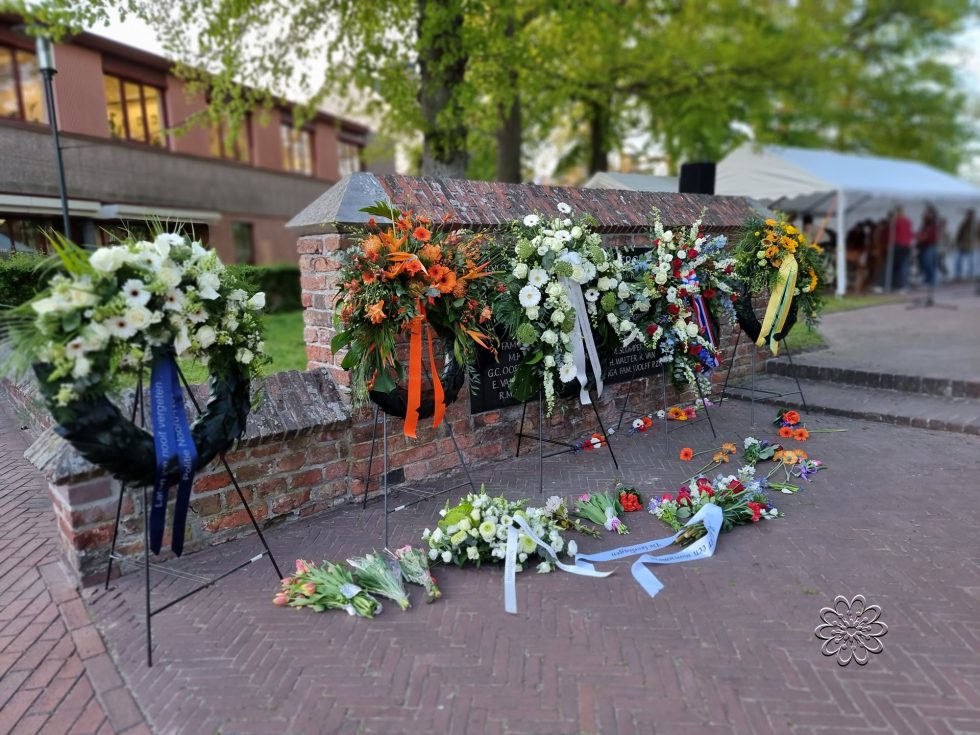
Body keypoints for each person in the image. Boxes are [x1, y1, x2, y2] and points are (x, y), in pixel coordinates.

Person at [915, 206, 939, 290]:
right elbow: (922, 232)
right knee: (923, 263)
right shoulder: (925, 223)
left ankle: (932, 281)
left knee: (928, 262)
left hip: (930, 245)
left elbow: (930, 234)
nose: (924, 214)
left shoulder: (933, 223)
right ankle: (928, 280)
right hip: (924, 245)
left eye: (926, 213)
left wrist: (922, 237)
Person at [891, 206, 914, 290]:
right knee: (904, 266)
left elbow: (893, 235)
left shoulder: (895, 221)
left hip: (898, 245)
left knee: (898, 266)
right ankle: (904, 285)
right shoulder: (908, 221)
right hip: (906, 245)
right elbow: (910, 233)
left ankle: (900, 284)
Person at [955, 209, 977, 282]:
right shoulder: (964, 224)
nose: (969, 216)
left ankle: (971, 276)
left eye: (970, 215)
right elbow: (959, 234)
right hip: (964, 245)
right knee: (959, 260)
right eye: (968, 215)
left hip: (974, 245)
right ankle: (958, 275)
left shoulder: (977, 224)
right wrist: (958, 242)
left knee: (972, 262)